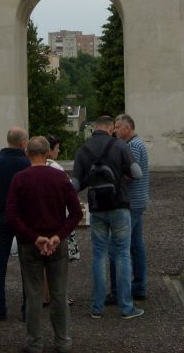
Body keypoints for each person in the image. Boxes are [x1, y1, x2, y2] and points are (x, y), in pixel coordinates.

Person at [6, 137, 82, 353]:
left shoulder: (20, 179)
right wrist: (59, 236)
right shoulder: (60, 177)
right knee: (59, 293)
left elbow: (11, 214)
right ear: (48, 152)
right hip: (57, 242)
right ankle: (63, 341)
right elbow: (76, 212)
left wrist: (33, 236)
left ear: (27, 153)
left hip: (30, 244)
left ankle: (34, 343)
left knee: (34, 294)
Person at [72, 116, 143, 319]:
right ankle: (126, 307)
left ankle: (97, 307)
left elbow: (75, 185)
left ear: (95, 128)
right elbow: (137, 173)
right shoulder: (119, 145)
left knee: (99, 255)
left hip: (96, 208)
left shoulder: (83, 150)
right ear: (111, 128)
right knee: (122, 255)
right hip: (119, 205)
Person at [0, 126, 30, 321]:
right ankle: (27, 309)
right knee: (27, 265)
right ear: (23, 142)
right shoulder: (27, 163)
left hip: (0, 217)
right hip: (24, 218)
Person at [108, 114, 150, 303]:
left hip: (131, 202)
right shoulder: (137, 144)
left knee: (116, 246)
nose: (115, 131)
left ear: (127, 128)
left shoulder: (132, 146)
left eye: (118, 127)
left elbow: (132, 174)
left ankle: (119, 291)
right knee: (135, 246)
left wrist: (111, 174)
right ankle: (139, 287)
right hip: (138, 201)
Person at [44, 135, 79, 306]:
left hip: (40, 218)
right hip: (58, 219)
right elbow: (68, 191)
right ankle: (58, 296)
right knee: (58, 262)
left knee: (42, 261)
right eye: (57, 148)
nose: (58, 151)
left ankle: (45, 294)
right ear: (49, 150)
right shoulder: (56, 168)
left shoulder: (33, 166)